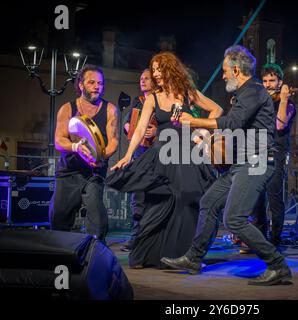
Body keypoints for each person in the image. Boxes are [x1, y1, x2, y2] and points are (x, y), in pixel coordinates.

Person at [160, 45, 292, 286]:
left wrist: (194, 120)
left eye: (224, 71)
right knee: (209, 202)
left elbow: (233, 122)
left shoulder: (252, 89)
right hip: (241, 163)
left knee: (235, 219)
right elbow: (236, 128)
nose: (222, 76)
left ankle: (278, 265)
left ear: (235, 69)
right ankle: (194, 257)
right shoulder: (244, 93)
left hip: (256, 162)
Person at [107, 51, 222, 268]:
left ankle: (183, 255)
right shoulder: (152, 98)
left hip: (188, 154)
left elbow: (217, 109)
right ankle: (149, 254)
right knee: (157, 203)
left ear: (171, 69)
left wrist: (203, 133)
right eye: (154, 70)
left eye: (160, 69)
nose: (156, 74)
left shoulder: (187, 92)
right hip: (163, 155)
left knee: (187, 201)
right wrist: (128, 155)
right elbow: (140, 129)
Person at [49, 64, 119, 241]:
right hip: (69, 170)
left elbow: (113, 142)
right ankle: (59, 252)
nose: (97, 86)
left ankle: (94, 254)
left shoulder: (110, 109)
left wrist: (101, 157)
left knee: (98, 220)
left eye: (100, 83)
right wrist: (76, 147)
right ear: (81, 84)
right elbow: (59, 140)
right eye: (92, 82)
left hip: (94, 171)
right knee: (59, 217)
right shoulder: (67, 108)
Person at [121, 69, 157, 252]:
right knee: (138, 198)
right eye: (141, 78)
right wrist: (129, 126)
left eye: (147, 78)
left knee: (154, 198)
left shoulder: (160, 100)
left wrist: (156, 132)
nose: (143, 81)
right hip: (139, 154)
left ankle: (151, 238)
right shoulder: (137, 101)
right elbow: (127, 123)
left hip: (157, 156)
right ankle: (136, 236)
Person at [260, 63, 296, 246]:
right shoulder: (261, 101)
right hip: (257, 150)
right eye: (265, 81)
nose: (267, 84)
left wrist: (282, 99)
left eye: (272, 80)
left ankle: (275, 238)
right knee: (256, 196)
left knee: (274, 195)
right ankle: (258, 238)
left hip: (276, 151)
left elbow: (280, 124)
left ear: (280, 82)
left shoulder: (288, 104)